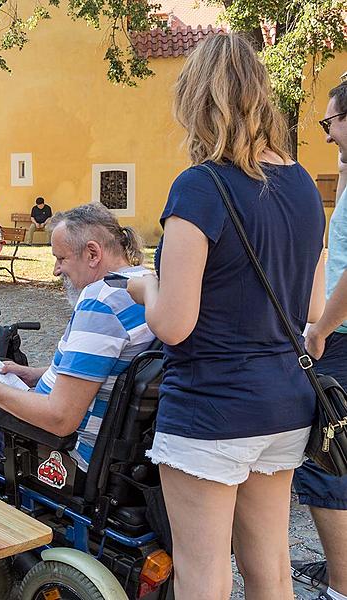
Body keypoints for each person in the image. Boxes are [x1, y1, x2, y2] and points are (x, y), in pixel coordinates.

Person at [125, 33, 325, 600]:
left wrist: (147, 283)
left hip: (212, 406)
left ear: (195, 101)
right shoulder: (305, 185)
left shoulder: (200, 187)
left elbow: (173, 324)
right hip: (284, 401)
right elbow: (309, 308)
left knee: (204, 573)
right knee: (272, 568)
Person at [0, 203, 154, 470]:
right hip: (110, 443)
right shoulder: (144, 284)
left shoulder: (101, 303)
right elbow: (102, 370)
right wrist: (36, 374)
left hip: (63, 453)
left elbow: (60, 418)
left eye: (61, 259)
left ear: (93, 253)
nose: (56, 271)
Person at [290, 80, 347, 600]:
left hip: (343, 338)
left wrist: (320, 329)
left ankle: (340, 584)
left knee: (329, 457)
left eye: (331, 123)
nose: (327, 135)